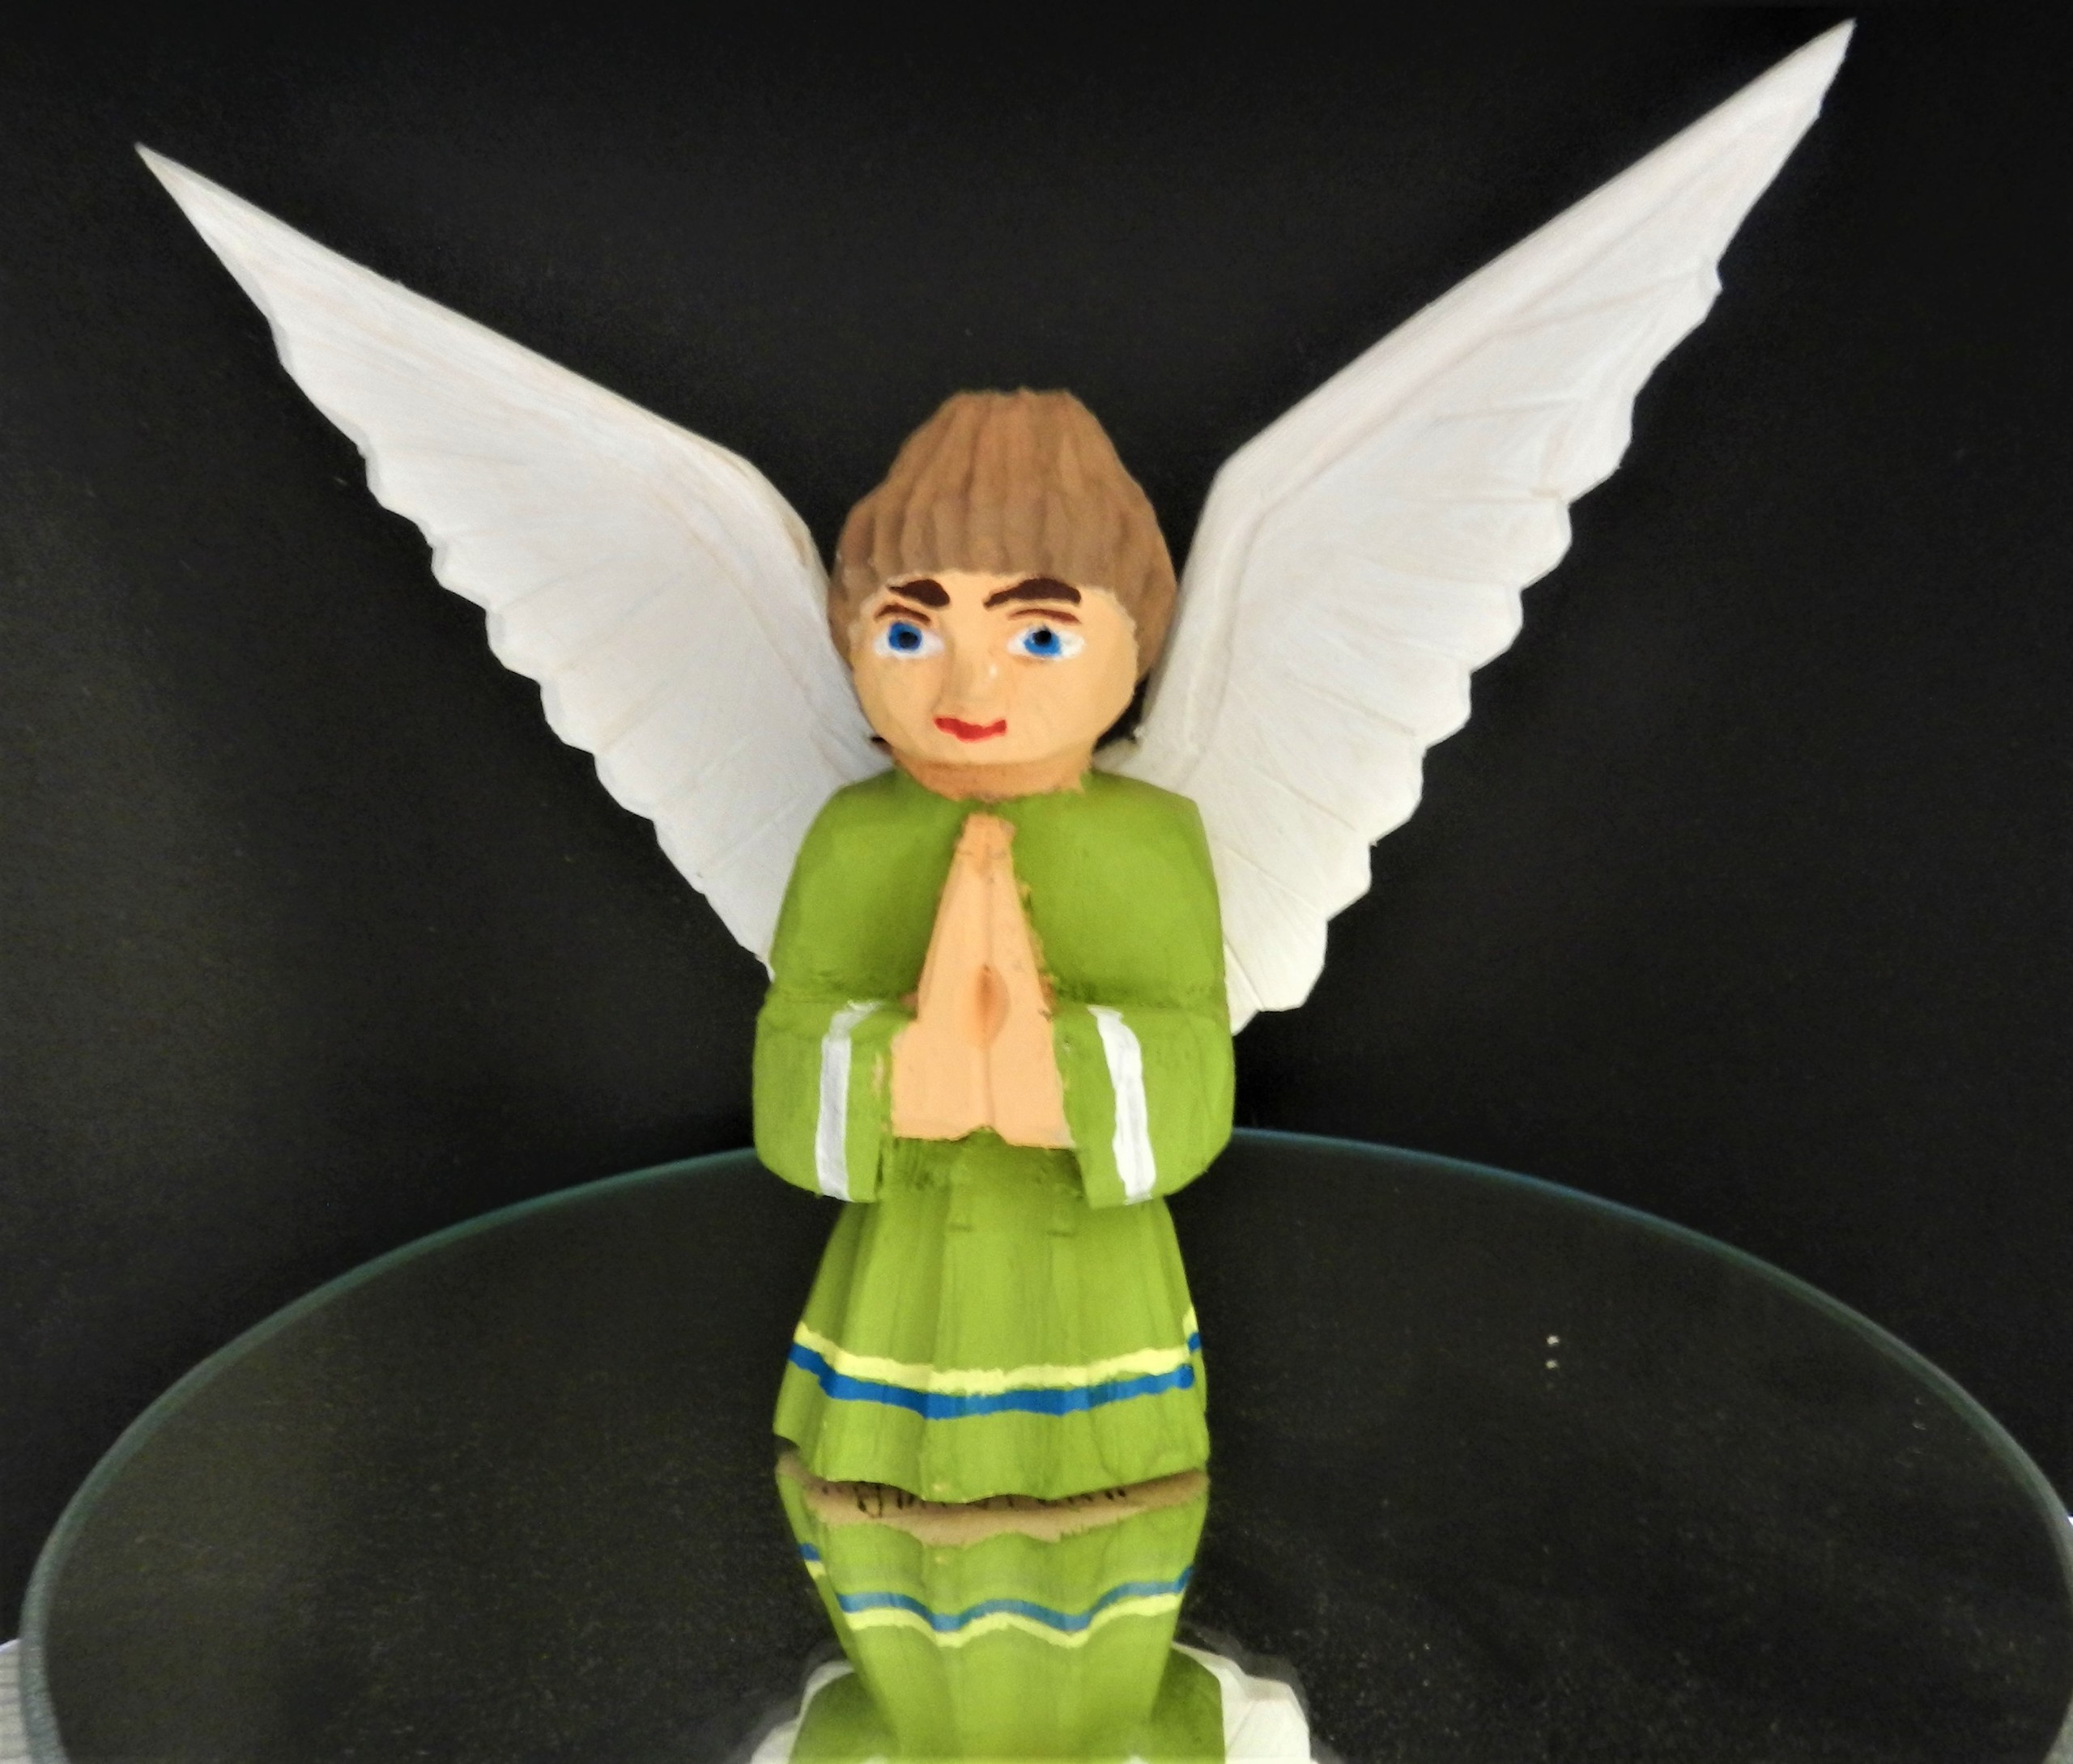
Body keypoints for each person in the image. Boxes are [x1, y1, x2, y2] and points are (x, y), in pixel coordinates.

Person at [755, 391, 1233, 1760]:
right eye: (910, 634)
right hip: (906, 1262)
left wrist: (1051, 1068)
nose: (970, 695)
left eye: (1038, 636)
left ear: (1135, 649)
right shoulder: (852, 838)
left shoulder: (1152, 842)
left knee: (1105, 1552)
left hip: (1093, 1275)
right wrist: (900, 1066)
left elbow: (1195, 1062)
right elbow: (792, 1040)